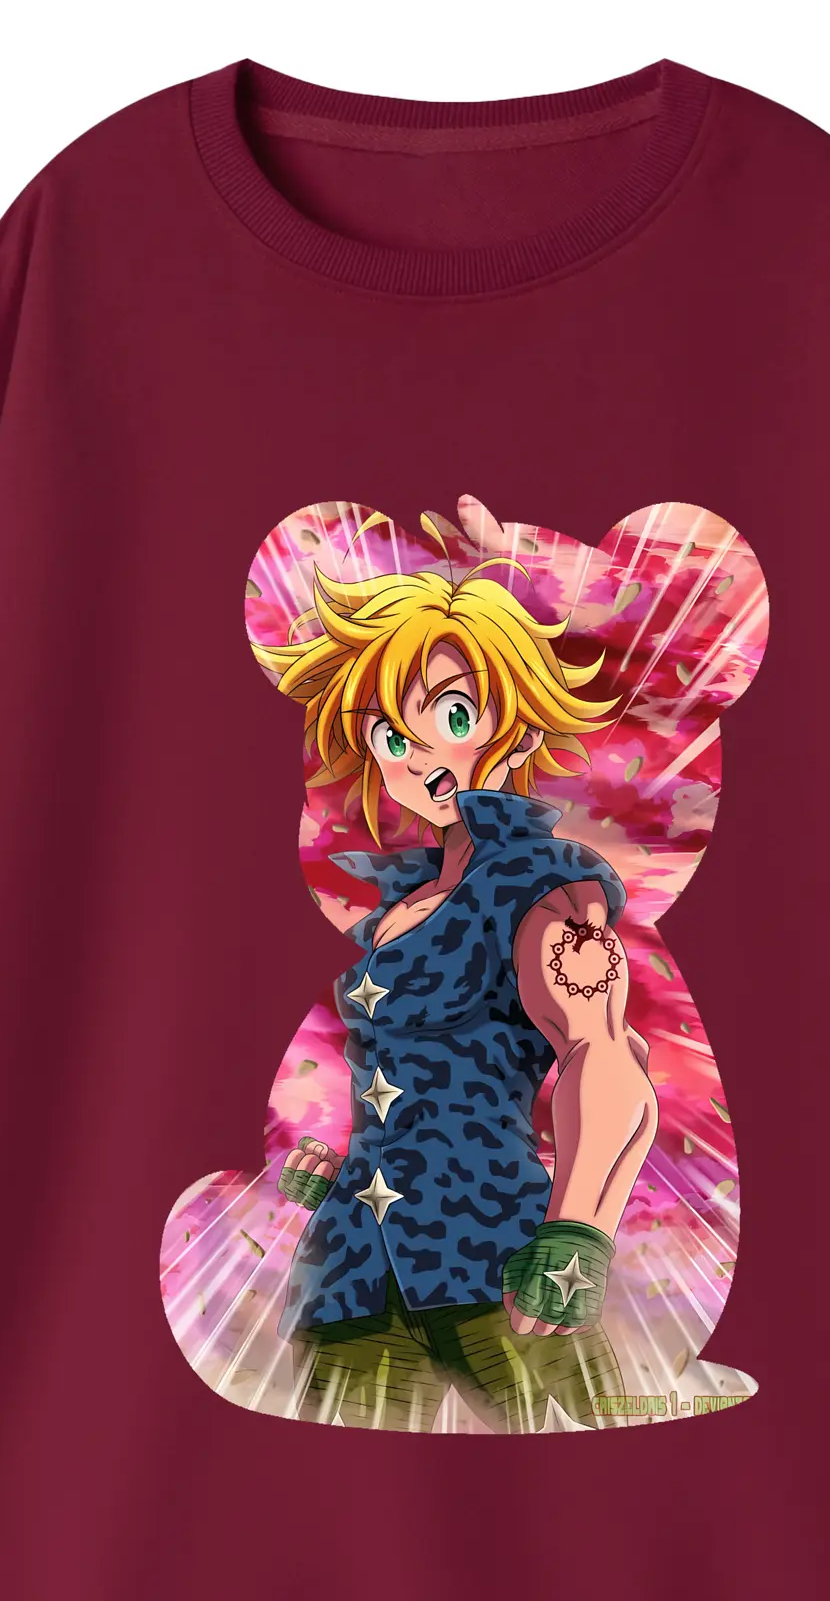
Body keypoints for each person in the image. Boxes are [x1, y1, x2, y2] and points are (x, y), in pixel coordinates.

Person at [257, 555, 658, 1431]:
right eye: (391, 736)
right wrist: (348, 1175)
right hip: (356, 1276)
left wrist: (579, 1235)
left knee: (588, 1477)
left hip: (498, 1266)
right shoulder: (397, 906)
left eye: (453, 715)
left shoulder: (540, 885)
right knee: (326, 1487)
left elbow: (608, 1058)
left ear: (517, 729)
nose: (422, 758)